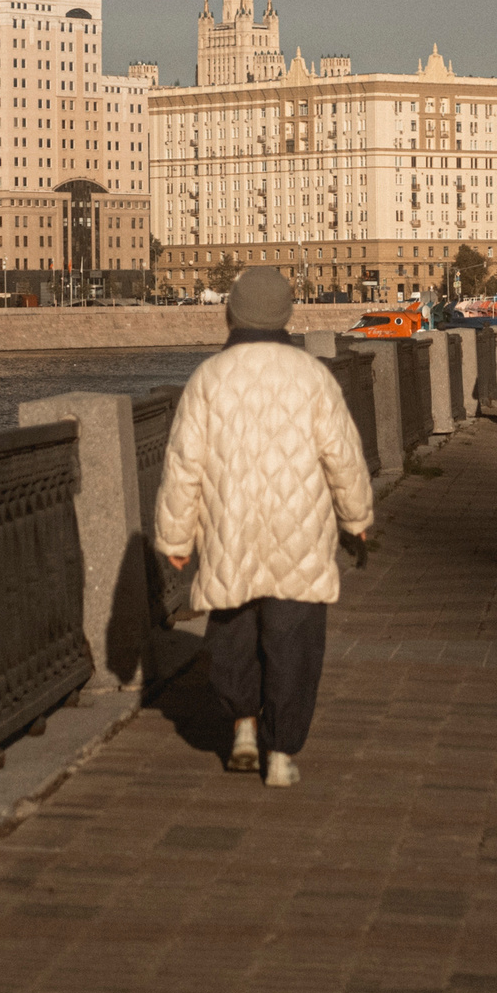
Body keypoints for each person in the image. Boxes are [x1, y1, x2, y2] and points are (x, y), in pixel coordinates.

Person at [154, 267, 374, 789]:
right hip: (299, 535)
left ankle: (244, 730)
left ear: (231, 313)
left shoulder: (209, 378)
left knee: (232, 637)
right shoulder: (312, 376)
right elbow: (343, 458)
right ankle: (282, 754)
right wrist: (357, 519)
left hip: (231, 530)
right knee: (293, 645)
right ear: (287, 315)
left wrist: (176, 539)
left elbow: (184, 465)